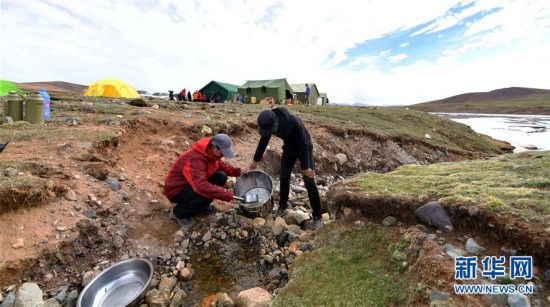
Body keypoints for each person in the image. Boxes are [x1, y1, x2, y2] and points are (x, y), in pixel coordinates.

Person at [249, 108, 322, 229]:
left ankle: (317, 216)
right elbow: (263, 141)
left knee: (309, 180)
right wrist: (256, 160)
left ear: (275, 123)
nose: (269, 132)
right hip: (289, 148)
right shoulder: (270, 123)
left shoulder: (293, 122)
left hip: (304, 146)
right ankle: (283, 205)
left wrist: (305, 168)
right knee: (283, 177)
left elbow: (303, 144)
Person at [164, 134, 243, 228]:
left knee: (221, 176)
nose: (223, 155)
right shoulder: (196, 159)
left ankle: (201, 205)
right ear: (214, 148)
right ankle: (179, 213)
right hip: (176, 190)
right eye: (222, 153)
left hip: (191, 184)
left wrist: (238, 172)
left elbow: (220, 165)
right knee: (205, 194)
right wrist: (228, 194)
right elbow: (201, 187)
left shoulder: (211, 154)